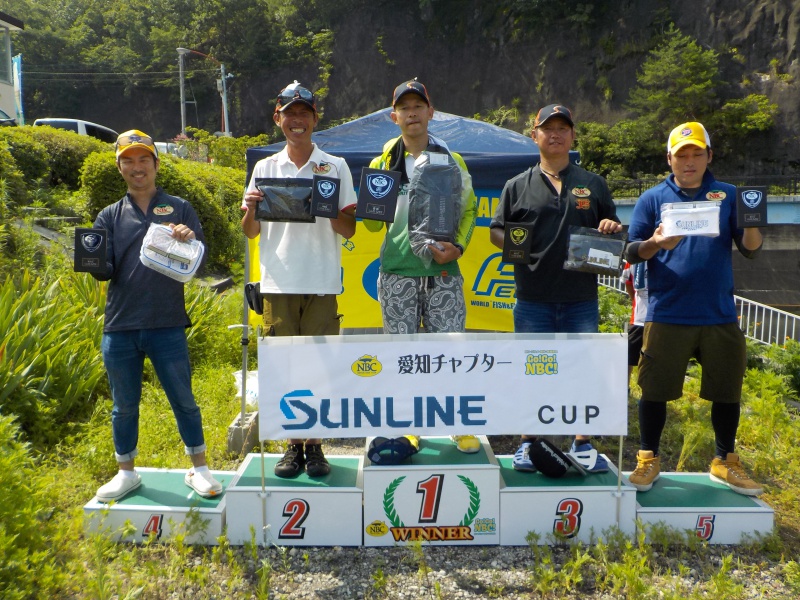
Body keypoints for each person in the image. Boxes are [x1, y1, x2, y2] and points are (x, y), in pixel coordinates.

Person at [624, 121, 764, 496]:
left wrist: (753, 220)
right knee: (654, 390)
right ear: (669, 158)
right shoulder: (652, 198)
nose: (689, 161)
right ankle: (648, 457)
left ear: (709, 156)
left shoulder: (729, 194)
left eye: (696, 154)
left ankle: (724, 460)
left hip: (718, 311)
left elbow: (750, 248)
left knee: (727, 391)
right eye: (681, 155)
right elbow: (631, 249)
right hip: (666, 311)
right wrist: (655, 242)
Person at [489, 103, 621, 474]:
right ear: (535, 135)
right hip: (532, 299)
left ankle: (582, 443)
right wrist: (516, 244)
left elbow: (609, 224)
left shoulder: (593, 183)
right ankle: (529, 442)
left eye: (563, 128)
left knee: (582, 372)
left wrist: (610, 226)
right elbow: (497, 229)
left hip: (581, 299)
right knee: (534, 372)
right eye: (548, 128)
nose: (556, 134)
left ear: (572, 136)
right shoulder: (517, 185)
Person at [93, 130, 222, 502]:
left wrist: (186, 238)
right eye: (128, 161)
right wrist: (92, 261)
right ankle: (126, 472)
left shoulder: (179, 207)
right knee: (124, 405)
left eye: (143, 159)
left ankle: (198, 468)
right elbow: (105, 270)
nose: (137, 167)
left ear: (156, 164)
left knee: (184, 398)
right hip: (120, 325)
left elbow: (198, 261)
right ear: (119, 167)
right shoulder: (109, 215)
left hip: (167, 322)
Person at [242, 81, 356, 478]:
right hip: (277, 282)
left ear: (314, 120)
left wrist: (326, 208)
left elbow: (350, 230)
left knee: (320, 368)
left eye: (304, 113)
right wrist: (251, 208)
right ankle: (292, 446)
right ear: (278, 119)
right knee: (285, 367)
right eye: (289, 114)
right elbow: (251, 231)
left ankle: (317, 446)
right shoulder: (264, 168)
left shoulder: (335, 165)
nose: (297, 120)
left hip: (322, 281)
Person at [364, 79, 479, 455]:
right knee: (402, 357)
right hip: (397, 270)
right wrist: (368, 203)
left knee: (450, 353)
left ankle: (457, 425)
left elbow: (470, 210)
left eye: (419, 106)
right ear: (394, 116)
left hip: (443, 272)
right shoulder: (381, 164)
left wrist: (459, 247)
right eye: (405, 107)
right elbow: (369, 224)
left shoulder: (452, 160)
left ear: (431, 112)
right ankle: (407, 427)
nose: (412, 113)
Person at [621, 260, 648, 389]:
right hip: (639, 318)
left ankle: (649, 392)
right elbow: (628, 283)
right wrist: (634, 301)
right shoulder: (634, 257)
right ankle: (624, 389)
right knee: (628, 356)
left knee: (654, 359)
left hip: (663, 318)